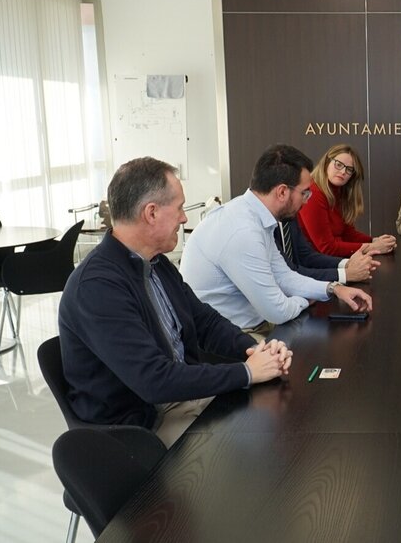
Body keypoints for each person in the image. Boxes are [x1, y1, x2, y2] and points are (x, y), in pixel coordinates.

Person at [58, 157, 293, 447]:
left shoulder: (155, 262)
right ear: (151, 213)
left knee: (275, 419)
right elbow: (155, 381)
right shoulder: (97, 288)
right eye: (180, 207)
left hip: (177, 400)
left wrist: (256, 350)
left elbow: (204, 321)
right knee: (258, 445)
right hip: (139, 429)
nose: (184, 218)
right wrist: (246, 371)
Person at [181, 144, 372, 333]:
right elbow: (278, 311)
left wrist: (333, 289)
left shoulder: (254, 216)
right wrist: (307, 299)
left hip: (249, 325)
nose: (307, 200)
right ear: (282, 192)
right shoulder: (243, 232)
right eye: (305, 193)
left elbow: (284, 276)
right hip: (230, 339)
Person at [297, 144, 396, 257]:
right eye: (338, 165)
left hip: (335, 259)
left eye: (349, 169)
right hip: (317, 263)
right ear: (326, 163)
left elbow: (347, 233)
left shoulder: (338, 192)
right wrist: (372, 247)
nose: (343, 171)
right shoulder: (313, 193)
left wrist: (375, 241)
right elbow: (327, 248)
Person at [274, 217, 379, 283]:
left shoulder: (289, 215)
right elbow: (290, 273)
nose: (306, 201)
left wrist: (347, 263)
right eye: (304, 193)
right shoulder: (266, 226)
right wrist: (345, 274)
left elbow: (307, 256)